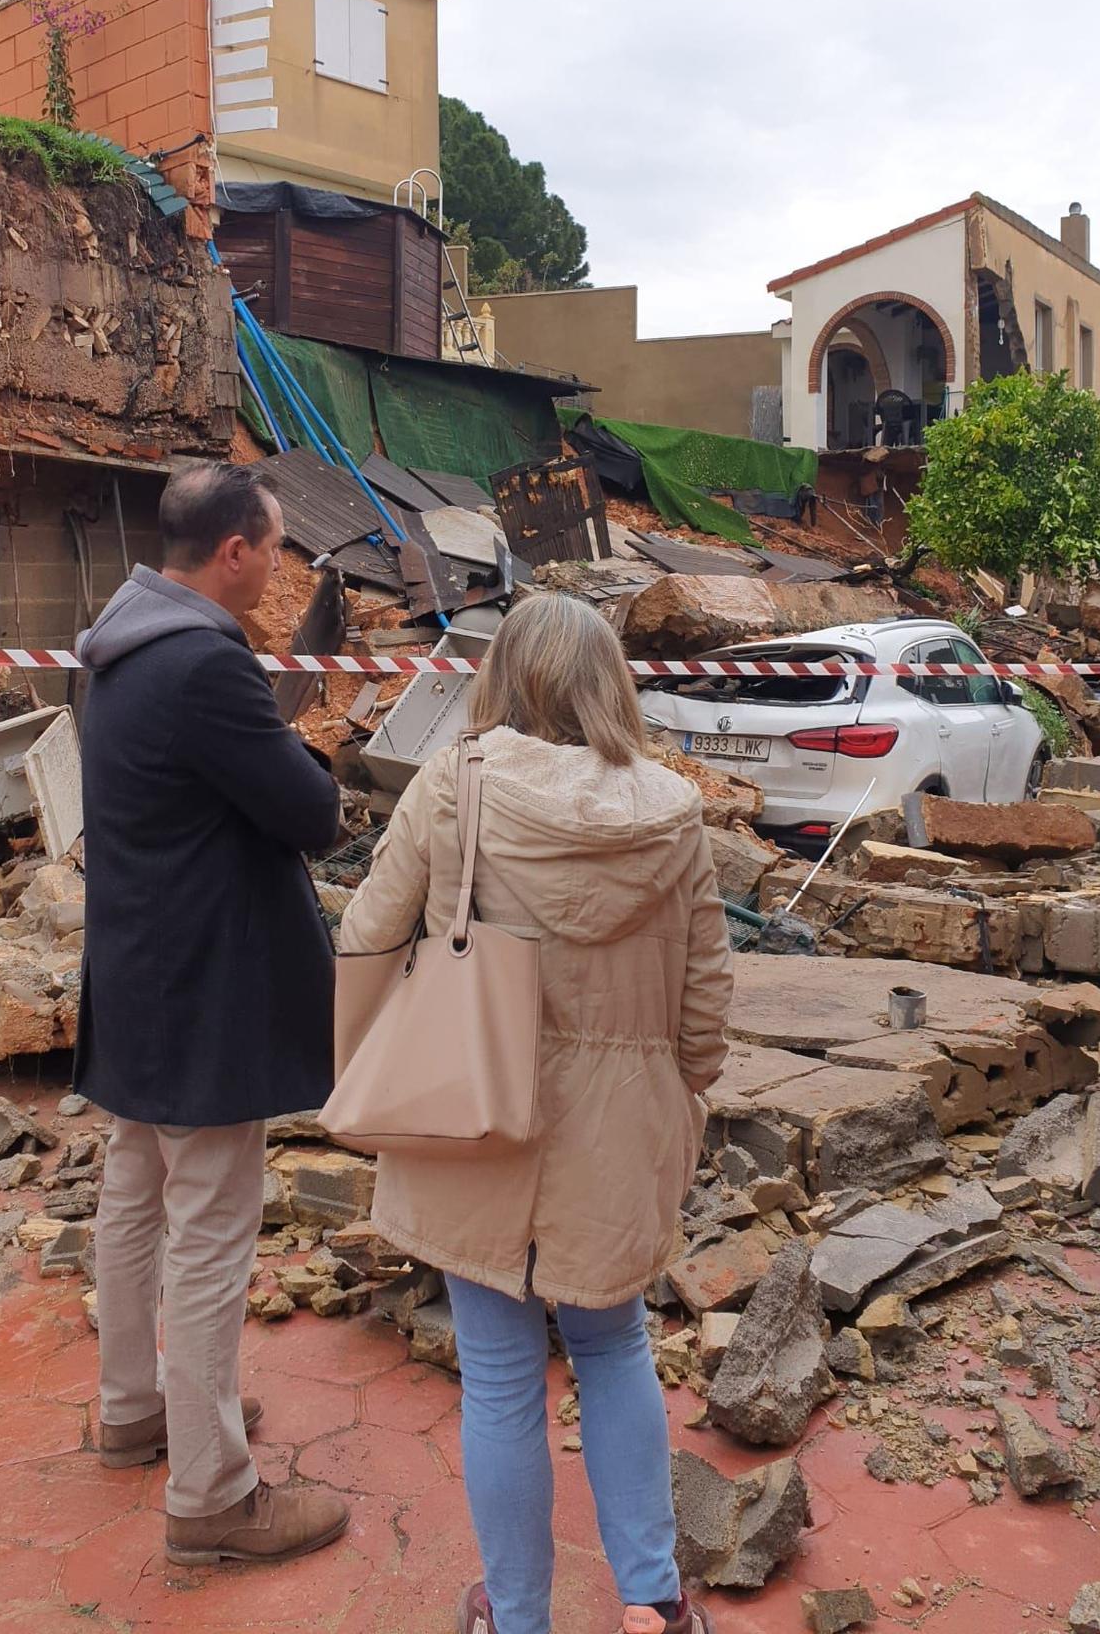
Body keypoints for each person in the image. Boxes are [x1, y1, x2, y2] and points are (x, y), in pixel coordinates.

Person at [337, 591, 733, 1634]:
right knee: (615, 1349)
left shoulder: (454, 783)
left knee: (502, 1377)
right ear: (613, 682)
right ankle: (653, 1601)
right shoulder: (676, 809)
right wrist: (676, 1091)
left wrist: (367, 1064)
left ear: (503, 675)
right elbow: (706, 999)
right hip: (620, 1120)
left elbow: (370, 934)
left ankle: (517, 1616)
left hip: (468, 1109)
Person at [74, 461, 350, 1567]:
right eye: (274, 548)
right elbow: (309, 811)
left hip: (138, 964)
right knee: (210, 1225)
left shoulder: (119, 643)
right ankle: (213, 1492)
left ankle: (134, 1407)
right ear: (232, 549)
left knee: (135, 1191)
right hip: (205, 981)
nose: (279, 569)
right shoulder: (203, 662)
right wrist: (316, 763)